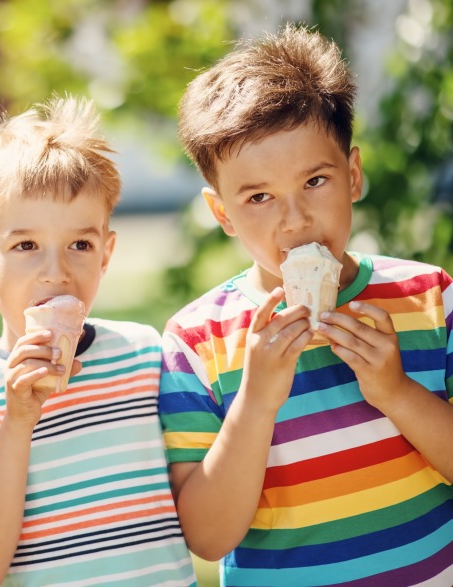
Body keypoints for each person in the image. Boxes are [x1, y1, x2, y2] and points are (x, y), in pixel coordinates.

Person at [159, 23, 453, 585]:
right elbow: (208, 535)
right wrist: (255, 402)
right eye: (259, 197)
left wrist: (395, 391)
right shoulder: (198, 341)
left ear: (354, 175)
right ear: (222, 214)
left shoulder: (429, 297)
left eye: (315, 181)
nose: (294, 220)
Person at [0, 96, 196, 586]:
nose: (57, 272)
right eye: (25, 246)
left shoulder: (147, 356)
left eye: (80, 245)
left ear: (106, 252)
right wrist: (19, 419)